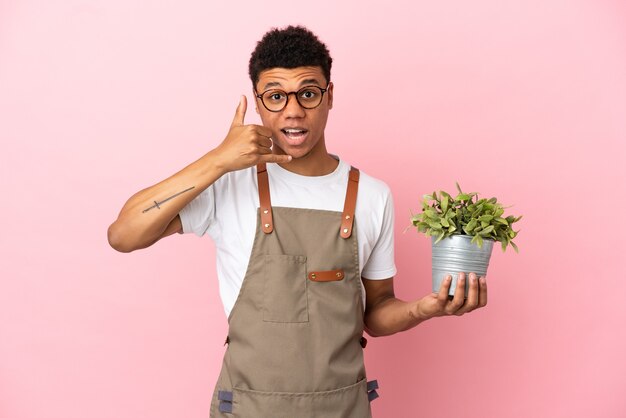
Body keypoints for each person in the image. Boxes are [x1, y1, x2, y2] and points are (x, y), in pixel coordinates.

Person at [108, 25, 487, 418]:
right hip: (248, 408)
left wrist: (425, 309)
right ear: (258, 103)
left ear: (330, 96)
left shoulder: (373, 195)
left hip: (343, 409)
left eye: (308, 93)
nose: (293, 111)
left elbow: (376, 313)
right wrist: (219, 159)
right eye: (275, 96)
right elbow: (123, 234)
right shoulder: (229, 185)